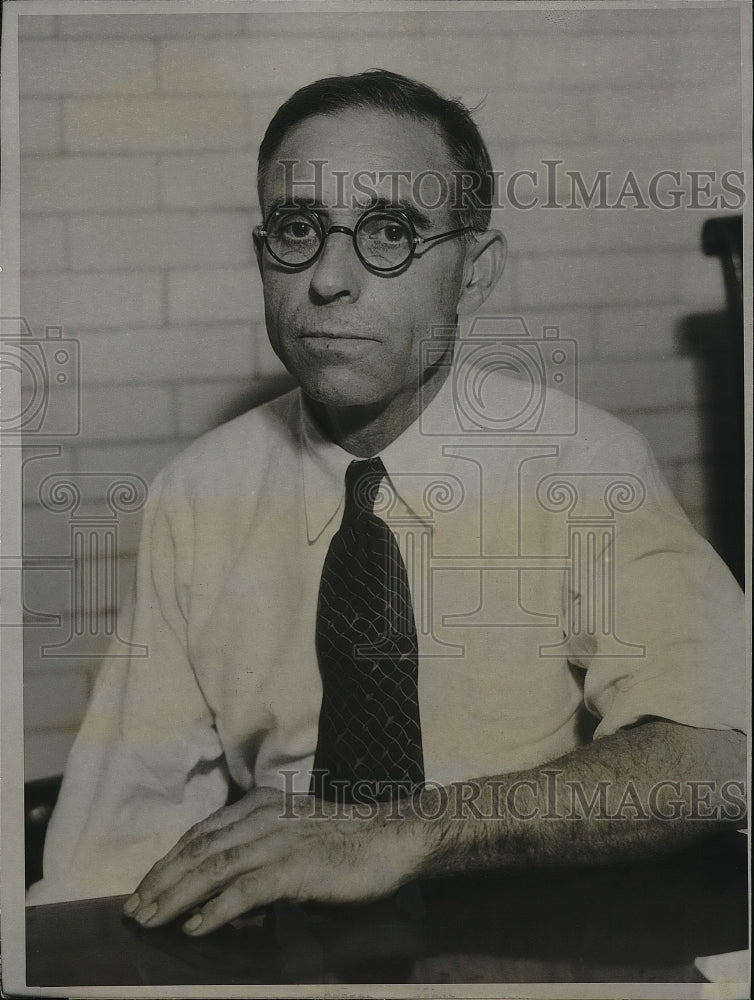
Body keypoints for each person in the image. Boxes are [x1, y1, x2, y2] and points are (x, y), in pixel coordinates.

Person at [29, 71, 746, 937]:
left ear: (475, 275)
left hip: (540, 942)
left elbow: (721, 755)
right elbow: (112, 841)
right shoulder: (200, 492)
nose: (328, 280)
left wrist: (403, 833)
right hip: (293, 959)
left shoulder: (585, 465)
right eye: (297, 229)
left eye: (389, 232)